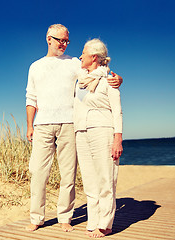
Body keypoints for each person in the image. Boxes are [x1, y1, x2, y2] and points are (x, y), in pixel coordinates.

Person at [25, 24, 122, 232]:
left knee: (68, 174)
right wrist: (29, 126)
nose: (65, 44)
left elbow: (97, 72)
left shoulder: (73, 64)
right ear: (49, 39)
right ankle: (36, 217)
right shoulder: (35, 66)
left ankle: (65, 217)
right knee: (39, 173)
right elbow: (30, 98)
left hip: (70, 123)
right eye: (61, 40)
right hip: (42, 124)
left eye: (67, 41)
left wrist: (117, 78)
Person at [74, 38, 123, 238]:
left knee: (105, 179)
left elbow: (118, 111)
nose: (80, 56)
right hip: (81, 132)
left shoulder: (109, 80)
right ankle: (93, 220)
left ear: (93, 57)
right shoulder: (80, 80)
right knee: (89, 180)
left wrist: (117, 139)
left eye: (83, 53)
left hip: (103, 131)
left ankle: (105, 224)